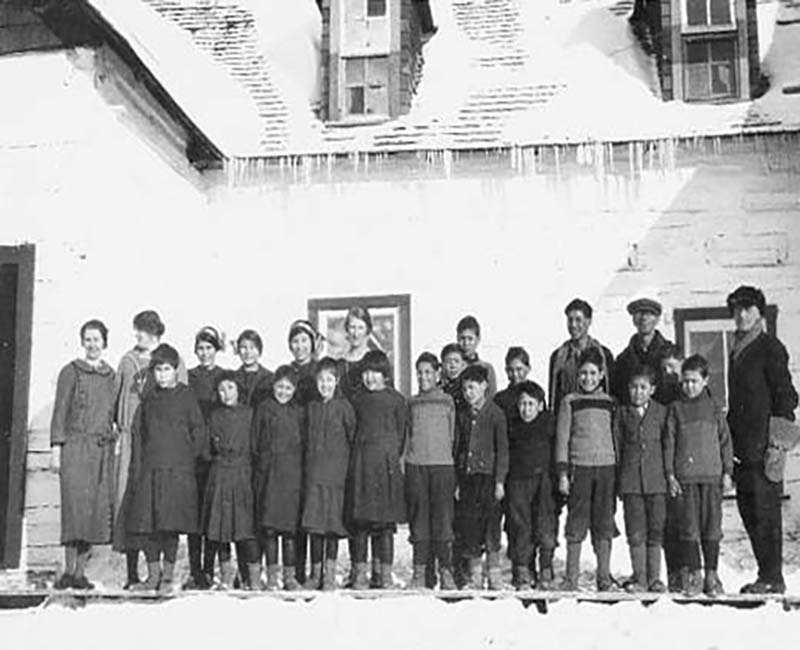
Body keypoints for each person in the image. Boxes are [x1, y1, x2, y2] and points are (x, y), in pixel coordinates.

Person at [726, 286, 798, 594]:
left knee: (766, 514)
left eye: (748, 308)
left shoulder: (770, 348)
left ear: (759, 313)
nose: (741, 314)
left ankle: (774, 578)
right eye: (737, 309)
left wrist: (778, 446)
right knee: (749, 511)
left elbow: (787, 399)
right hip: (742, 448)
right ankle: (765, 575)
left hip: (765, 447)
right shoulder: (737, 348)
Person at [114, 309, 187, 589]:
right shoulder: (127, 361)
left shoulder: (173, 359)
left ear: (154, 332)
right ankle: (133, 572)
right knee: (130, 502)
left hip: (162, 447)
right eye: (136, 330)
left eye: (142, 330)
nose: (137, 335)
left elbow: (181, 401)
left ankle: (161, 573)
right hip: (132, 442)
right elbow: (117, 396)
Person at [125, 343, 206, 594]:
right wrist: (139, 466)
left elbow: (198, 430)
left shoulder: (186, 396)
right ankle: (153, 575)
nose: (162, 375)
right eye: (158, 370)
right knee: (150, 526)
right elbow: (139, 433)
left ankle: (168, 576)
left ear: (175, 370)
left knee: (170, 526)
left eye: (167, 369)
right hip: (152, 470)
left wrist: (190, 459)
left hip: (178, 471)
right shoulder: (149, 400)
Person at [50, 320, 117, 590]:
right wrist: (57, 449)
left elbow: (110, 414)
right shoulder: (71, 372)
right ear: (82, 342)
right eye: (88, 339)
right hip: (76, 449)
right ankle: (69, 571)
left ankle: (80, 574)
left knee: (91, 513)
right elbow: (60, 412)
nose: (92, 345)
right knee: (74, 510)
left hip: (100, 452)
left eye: (97, 340)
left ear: (104, 343)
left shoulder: (110, 376)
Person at [664, 354, 733, 596]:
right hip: (686, 479)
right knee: (689, 527)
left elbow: (725, 442)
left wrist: (727, 473)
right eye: (684, 381)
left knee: (712, 527)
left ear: (705, 380)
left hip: (712, 478)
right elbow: (669, 443)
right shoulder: (676, 409)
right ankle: (694, 574)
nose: (688, 386)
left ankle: (712, 575)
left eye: (693, 381)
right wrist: (670, 475)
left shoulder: (714, 408)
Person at [555, 347, 617, 591]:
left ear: (601, 374)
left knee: (604, 522)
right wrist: (562, 473)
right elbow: (562, 439)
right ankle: (571, 577)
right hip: (579, 469)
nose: (587, 378)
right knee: (576, 523)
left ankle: (603, 575)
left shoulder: (610, 402)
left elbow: (615, 436)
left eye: (593, 373)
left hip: (606, 469)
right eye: (583, 373)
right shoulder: (570, 401)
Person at [348, 350, 407, 590]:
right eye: (366, 373)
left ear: (385, 374)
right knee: (361, 522)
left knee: (384, 525)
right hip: (362, 464)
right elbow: (352, 430)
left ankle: (383, 573)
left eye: (376, 373)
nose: (370, 378)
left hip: (385, 467)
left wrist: (390, 456)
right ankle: (359, 573)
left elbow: (401, 434)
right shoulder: (357, 399)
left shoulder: (396, 400)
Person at [202, 372, 260, 590]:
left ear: (239, 390)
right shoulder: (214, 416)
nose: (226, 394)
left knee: (246, 530)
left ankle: (253, 579)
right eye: (222, 390)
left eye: (230, 388)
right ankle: (227, 576)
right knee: (221, 530)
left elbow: (256, 444)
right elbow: (206, 446)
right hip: (220, 475)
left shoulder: (250, 414)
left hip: (243, 475)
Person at [302, 357, 356, 590]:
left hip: (336, 476)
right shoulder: (311, 407)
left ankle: (329, 574)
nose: (325, 384)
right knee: (315, 526)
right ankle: (314, 573)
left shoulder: (344, 407)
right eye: (321, 380)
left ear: (337, 381)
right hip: (314, 475)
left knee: (332, 526)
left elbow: (352, 438)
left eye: (330, 380)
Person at [404, 352, 457, 590]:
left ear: (437, 373)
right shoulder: (412, 402)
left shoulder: (447, 401)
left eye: (428, 372)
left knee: (442, 522)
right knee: (420, 521)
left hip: (442, 467)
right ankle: (420, 573)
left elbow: (454, 435)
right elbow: (407, 435)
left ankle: (445, 570)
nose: (423, 377)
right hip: (417, 467)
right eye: (420, 372)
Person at [454, 364, 508, 590]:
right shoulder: (463, 414)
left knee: (491, 527)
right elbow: (458, 448)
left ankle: (494, 573)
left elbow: (503, 450)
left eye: (473, 388)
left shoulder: (495, 414)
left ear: (484, 386)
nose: (469, 393)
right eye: (465, 388)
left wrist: (499, 481)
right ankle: (475, 575)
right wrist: (457, 481)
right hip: (469, 479)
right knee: (471, 527)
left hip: (488, 479)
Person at [252, 365, 305, 591]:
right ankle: (273, 576)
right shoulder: (264, 408)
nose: (283, 391)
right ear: (273, 386)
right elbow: (255, 440)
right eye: (280, 386)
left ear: (294, 390)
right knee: (270, 529)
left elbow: (303, 443)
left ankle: (290, 576)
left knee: (289, 531)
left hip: (291, 477)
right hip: (269, 475)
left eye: (288, 388)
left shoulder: (298, 411)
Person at [616, 364, 668, 593]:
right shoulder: (622, 414)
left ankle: (654, 578)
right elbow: (617, 447)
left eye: (643, 387)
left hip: (657, 482)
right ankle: (640, 577)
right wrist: (619, 480)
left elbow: (668, 445)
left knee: (655, 530)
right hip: (631, 482)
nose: (638, 392)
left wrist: (669, 476)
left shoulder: (661, 413)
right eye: (634, 387)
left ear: (652, 389)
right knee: (636, 531)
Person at [185, 326, 226, 590]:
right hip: (193, 453)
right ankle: (195, 570)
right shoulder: (188, 377)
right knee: (193, 514)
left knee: (212, 513)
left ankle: (210, 569)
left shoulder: (224, 376)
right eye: (200, 348)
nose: (204, 353)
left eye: (209, 348)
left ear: (216, 350)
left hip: (215, 453)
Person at [505, 381, 556, 590]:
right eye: (522, 404)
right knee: (520, 526)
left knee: (544, 525)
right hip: (518, 480)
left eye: (531, 404)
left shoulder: (548, 423)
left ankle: (545, 568)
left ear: (540, 405)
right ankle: (523, 570)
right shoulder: (512, 426)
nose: (526, 409)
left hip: (543, 481)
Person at [287, 319, 322, 586]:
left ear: (312, 343)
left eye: (304, 341)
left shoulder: (319, 372)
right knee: (296, 513)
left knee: (317, 512)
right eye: (295, 341)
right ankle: (296, 571)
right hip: (292, 451)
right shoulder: (286, 373)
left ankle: (318, 572)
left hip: (316, 448)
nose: (299, 346)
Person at [548, 298, 614, 417]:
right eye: (570, 320)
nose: (573, 325)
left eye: (578, 320)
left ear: (588, 321)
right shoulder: (558, 357)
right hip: (567, 417)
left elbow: (611, 392)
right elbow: (554, 395)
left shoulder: (604, 354)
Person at [654, 343, 684, 591]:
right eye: (664, 368)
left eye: (673, 367)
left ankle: (692, 573)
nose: (669, 373)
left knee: (690, 523)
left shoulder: (691, 395)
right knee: (668, 525)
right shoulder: (659, 399)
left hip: (688, 468)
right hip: (665, 468)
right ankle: (674, 573)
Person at [612, 297, 674, 405]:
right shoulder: (624, 359)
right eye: (639, 313)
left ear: (657, 319)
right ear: (634, 320)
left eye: (650, 313)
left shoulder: (670, 355)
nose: (644, 318)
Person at [338, 306, 375, 400]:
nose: (356, 333)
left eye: (361, 328)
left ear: (367, 330)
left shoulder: (375, 362)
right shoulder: (340, 363)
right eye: (352, 327)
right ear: (347, 329)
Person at [456, 315, 497, 398]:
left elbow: (491, 398)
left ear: (478, 339)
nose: (466, 343)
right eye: (462, 338)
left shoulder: (487, 368)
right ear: (457, 338)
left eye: (470, 339)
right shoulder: (452, 367)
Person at [234, 329, 273, 409]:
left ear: (259, 350)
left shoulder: (270, 378)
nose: (248, 352)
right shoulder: (233, 378)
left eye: (252, 347)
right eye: (244, 347)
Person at [494, 346, 532, 423]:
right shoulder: (500, 399)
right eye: (510, 370)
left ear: (528, 368)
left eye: (519, 369)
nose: (515, 374)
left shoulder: (535, 394)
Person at [441, 343, 467, 411]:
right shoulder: (438, 389)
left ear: (463, 365)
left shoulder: (467, 388)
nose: (453, 366)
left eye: (456, 361)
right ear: (442, 364)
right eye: (448, 362)